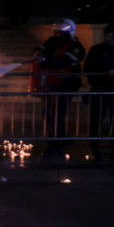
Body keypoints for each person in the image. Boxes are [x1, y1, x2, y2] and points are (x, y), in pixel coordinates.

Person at [30, 18, 86, 157]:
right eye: (56, 32)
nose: (57, 34)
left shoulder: (76, 47)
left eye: (61, 32)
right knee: (47, 114)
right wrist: (37, 53)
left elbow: (62, 62)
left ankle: (56, 144)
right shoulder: (51, 41)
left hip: (66, 85)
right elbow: (40, 49)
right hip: (50, 84)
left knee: (56, 114)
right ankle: (60, 139)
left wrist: (44, 61)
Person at [83, 22, 114, 161]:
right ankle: (94, 147)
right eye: (108, 36)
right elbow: (88, 68)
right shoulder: (96, 50)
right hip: (100, 89)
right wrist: (104, 73)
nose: (110, 39)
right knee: (96, 119)